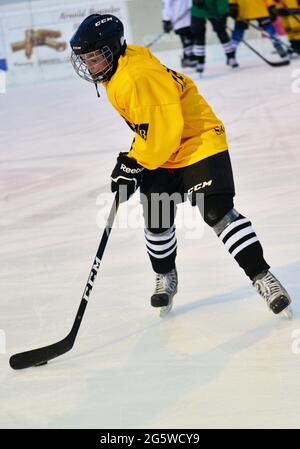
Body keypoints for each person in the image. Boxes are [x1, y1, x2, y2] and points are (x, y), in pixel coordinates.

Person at [70, 14, 292, 317]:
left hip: (197, 141)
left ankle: (263, 277)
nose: (90, 66)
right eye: (86, 59)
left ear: (111, 49)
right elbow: (150, 126)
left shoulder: (135, 76)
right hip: (164, 145)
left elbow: (167, 129)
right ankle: (165, 276)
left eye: (95, 57)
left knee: (217, 212)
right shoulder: (120, 67)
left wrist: (136, 164)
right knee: (157, 219)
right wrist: (131, 161)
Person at [191, 0, 238, 73]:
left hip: (215, 11)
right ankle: (200, 61)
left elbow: (222, 3)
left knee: (221, 32)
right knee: (199, 35)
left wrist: (222, 15)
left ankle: (231, 57)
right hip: (198, 11)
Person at [162, 0, 197, 67]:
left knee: (193, 39)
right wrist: (166, 20)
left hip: (190, 17)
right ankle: (190, 58)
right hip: (179, 19)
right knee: (186, 39)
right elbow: (166, 5)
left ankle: (186, 58)